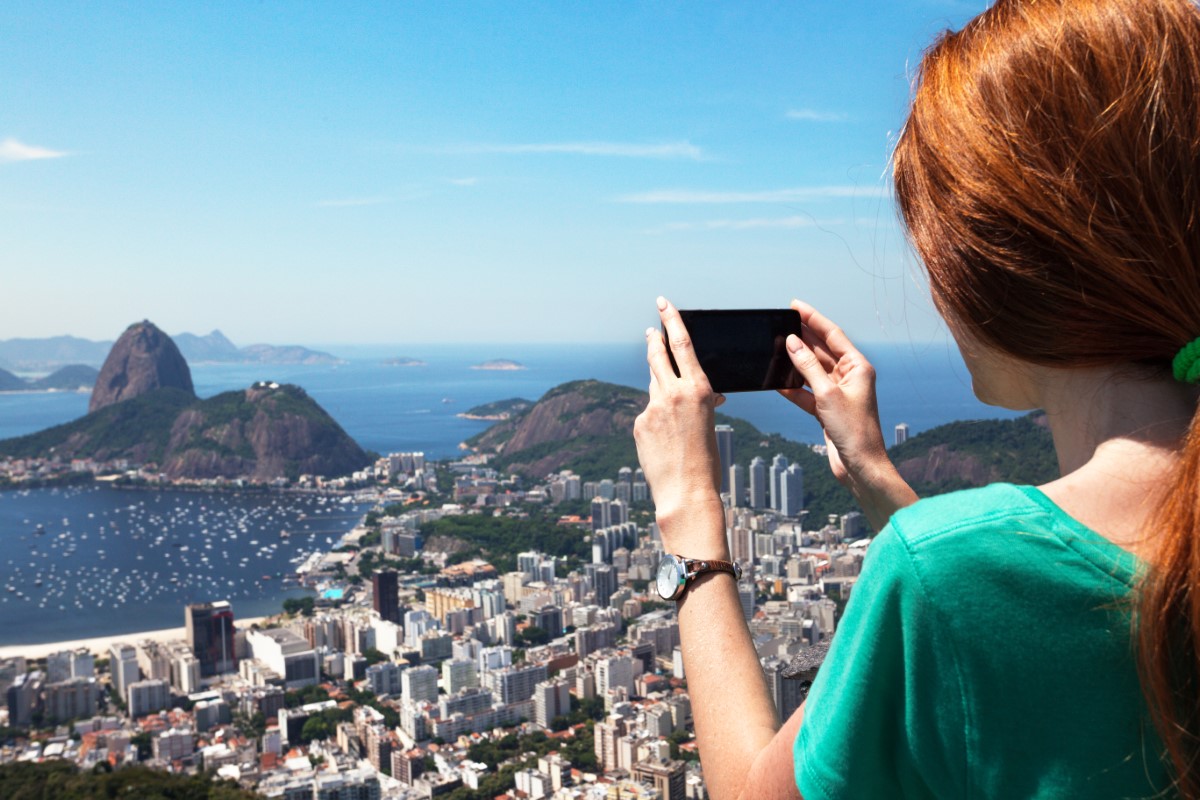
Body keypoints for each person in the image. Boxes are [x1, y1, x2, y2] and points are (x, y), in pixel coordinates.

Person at [633, 0, 1200, 797]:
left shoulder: (943, 569)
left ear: (989, 267)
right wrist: (872, 472)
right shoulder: (957, 563)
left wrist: (689, 508)